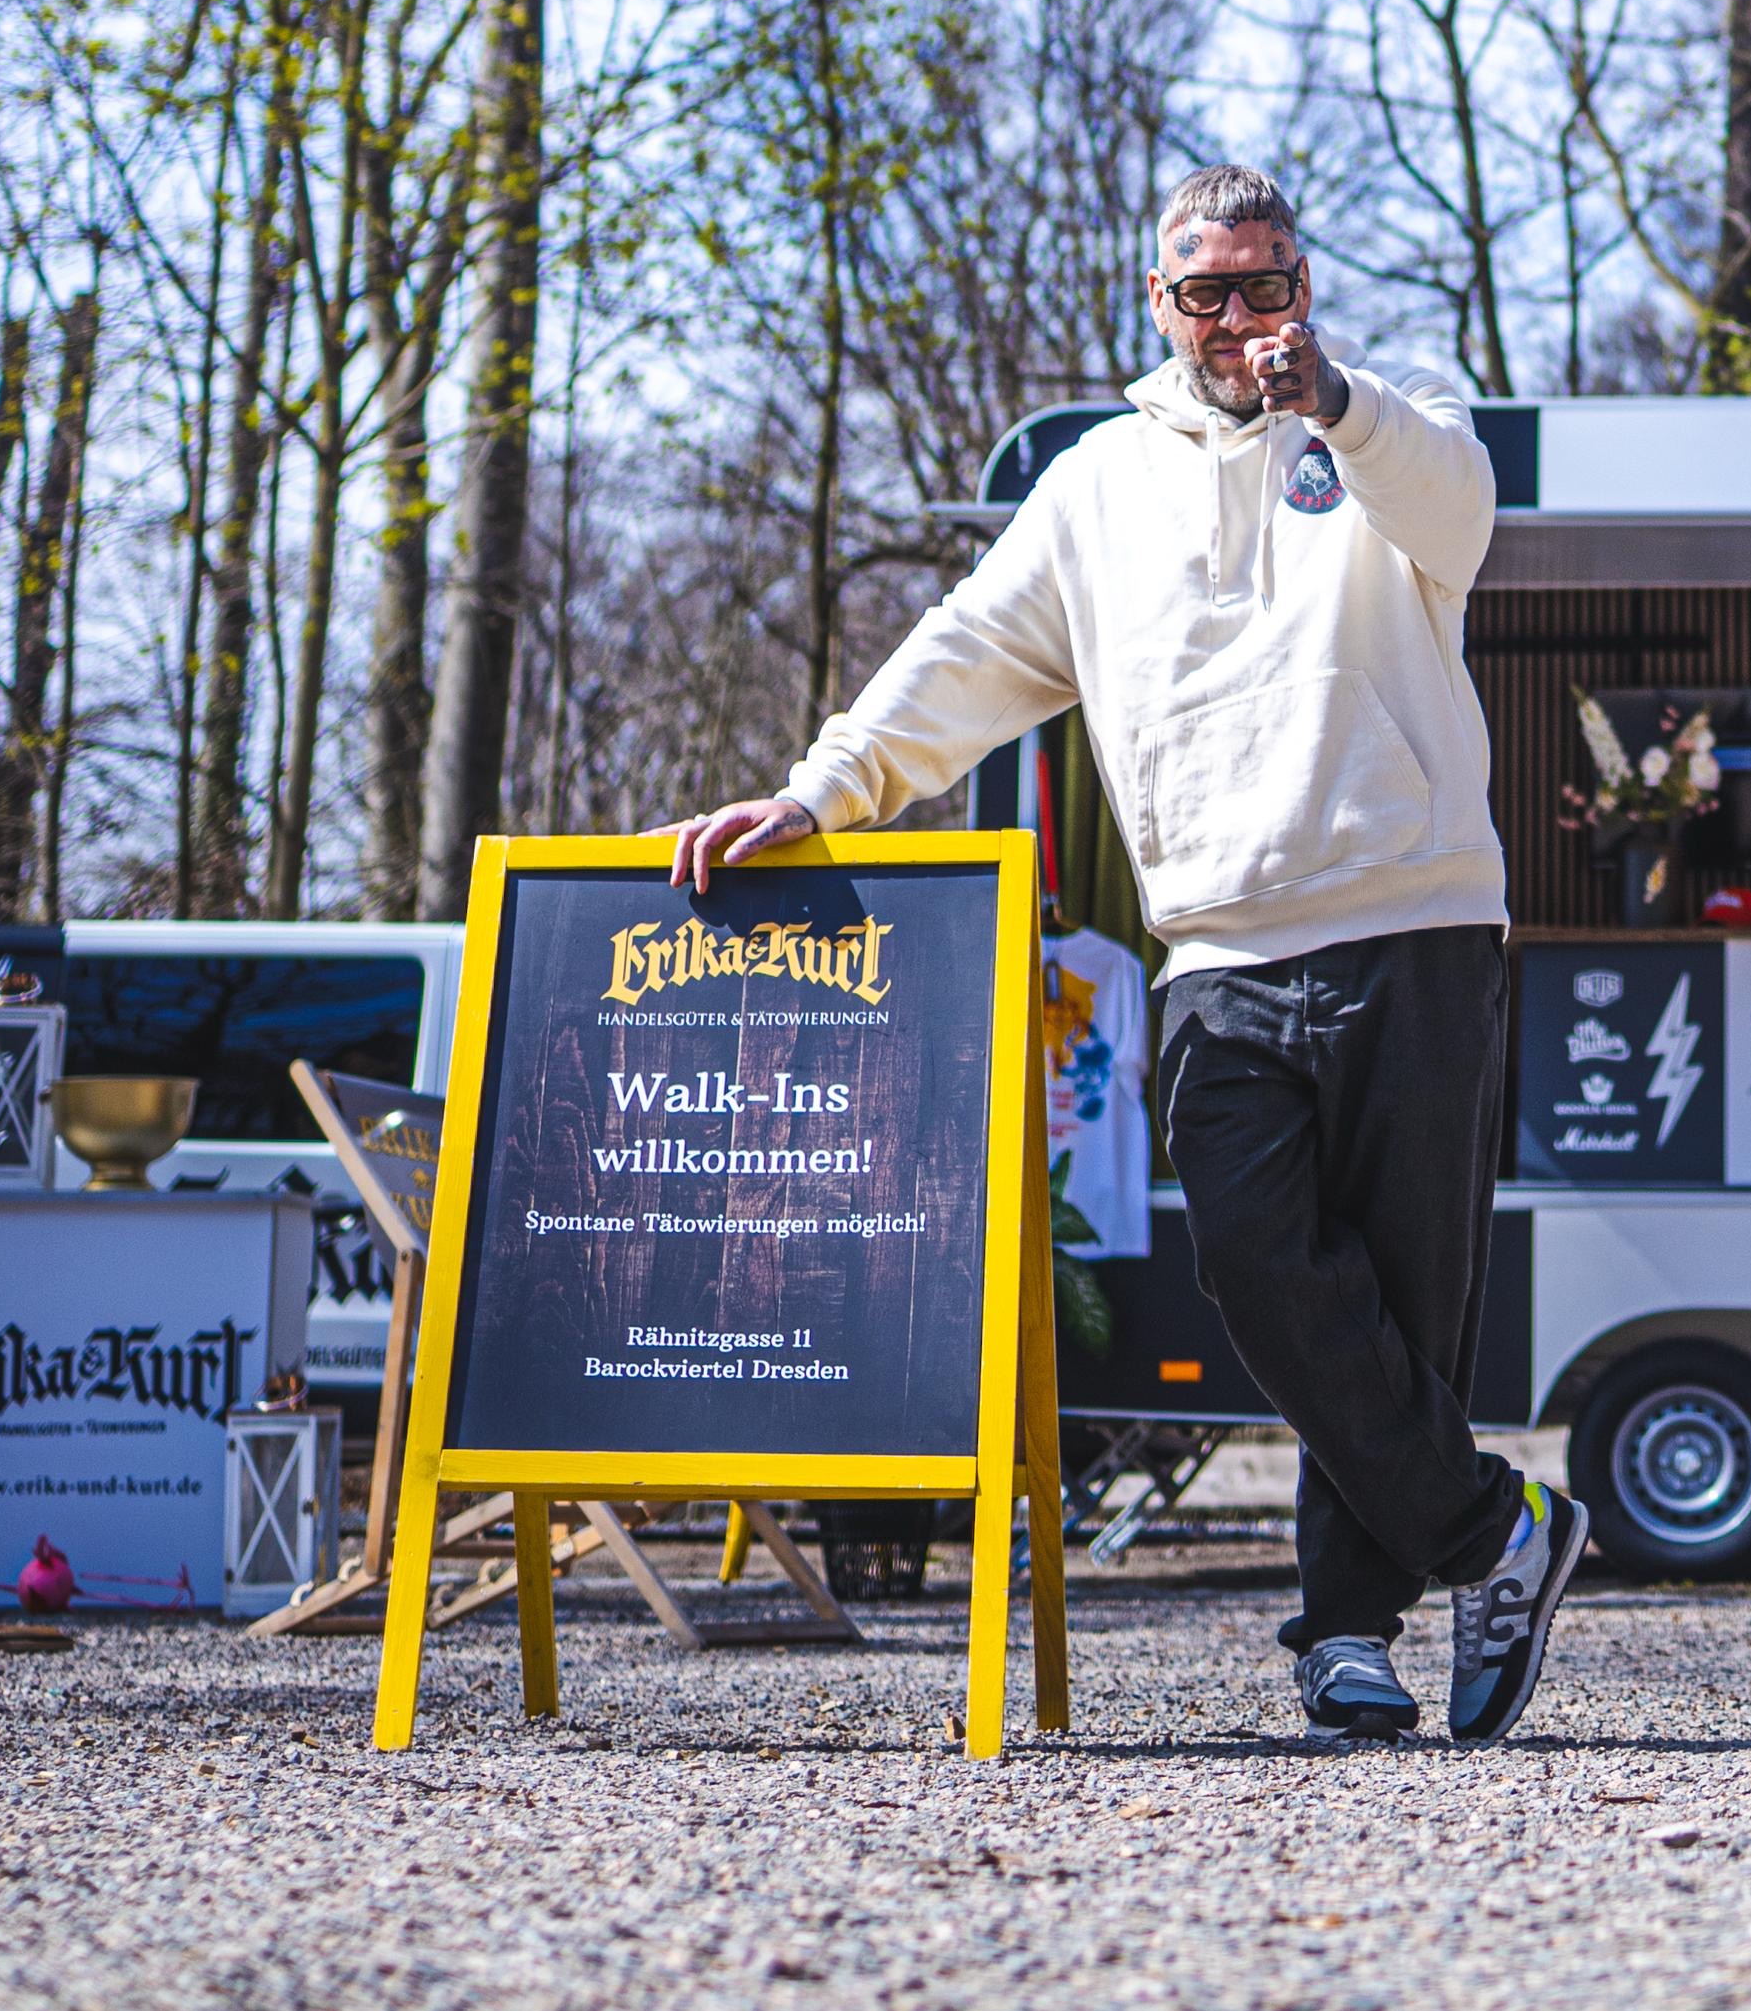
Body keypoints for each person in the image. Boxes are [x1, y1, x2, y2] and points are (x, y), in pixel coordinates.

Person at [671, 165, 1589, 1753]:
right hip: (1217, 944)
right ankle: (1498, 1536)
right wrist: (824, 792)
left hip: (1415, 920)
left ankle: (1351, 1639)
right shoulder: (1097, 484)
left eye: (1263, 284)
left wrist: (1343, 407)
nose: (1237, 320)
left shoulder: (1393, 419)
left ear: (1302, 281)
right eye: (1204, 293)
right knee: (1260, 1274)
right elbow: (964, 653)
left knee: (1401, 1302)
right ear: (1154, 306)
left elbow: (1461, 514)